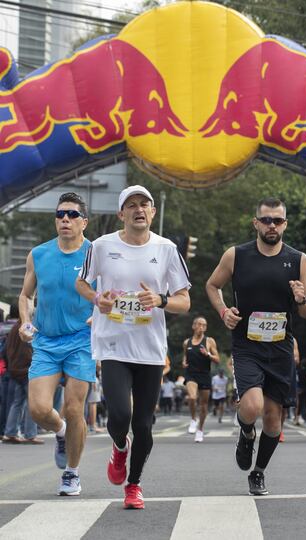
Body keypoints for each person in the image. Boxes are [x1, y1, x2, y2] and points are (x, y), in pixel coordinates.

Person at [75, 184, 190, 509]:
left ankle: (134, 484)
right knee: (121, 414)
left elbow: (184, 300)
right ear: (121, 214)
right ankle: (119, 447)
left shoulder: (167, 249)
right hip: (112, 343)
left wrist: (160, 299)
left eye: (145, 205)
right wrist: (98, 299)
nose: (139, 209)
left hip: (150, 348)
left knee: (143, 424)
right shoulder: (100, 246)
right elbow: (81, 282)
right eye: (132, 205)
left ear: (152, 213)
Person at [206, 196, 306, 495]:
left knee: (272, 419)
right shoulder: (236, 255)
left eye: (277, 220)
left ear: (285, 224)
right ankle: (244, 431)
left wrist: (301, 299)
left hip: (280, 348)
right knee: (252, 407)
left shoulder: (298, 260)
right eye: (266, 220)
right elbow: (212, 285)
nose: (271, 225)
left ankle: (258, 472)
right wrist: (224, 312)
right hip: (247, 345)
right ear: (255, 222)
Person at [18, 192, 95, 496]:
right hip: (46, 341)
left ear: (84, 222)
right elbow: (26, 295)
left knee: (75, 409)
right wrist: (25, 322)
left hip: (82, 341)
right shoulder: (38, 254)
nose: (65, 219)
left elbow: (111, 293)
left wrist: (101, 317)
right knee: (38, 410)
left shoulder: (95, 254)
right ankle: (61, 432)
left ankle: (72, 473)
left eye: (73, 215)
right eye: (61, 214)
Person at [2, 319, 44, 444]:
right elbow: (28, 350)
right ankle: (30, 434)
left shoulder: (15, 328)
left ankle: (10, 433)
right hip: (27, 369)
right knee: (32, 402)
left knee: (17, 402)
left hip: (15, 369)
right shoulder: (28, 326)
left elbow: (5, 351)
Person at [182, 316, 220, 442]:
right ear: (193, 326)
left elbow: (217, 359)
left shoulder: (209, 341)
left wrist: (207, 354)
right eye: (199, 324)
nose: (201, 327)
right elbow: (185, 357)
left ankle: (200, 430)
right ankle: (193, 419)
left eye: (204, 325)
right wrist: (184, 362)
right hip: (191, 373)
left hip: (204, 374)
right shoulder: (187, 342)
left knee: (203, 406)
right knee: (192, 397)